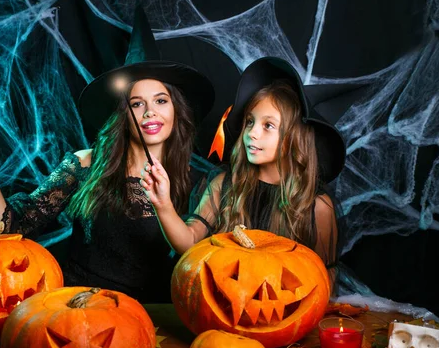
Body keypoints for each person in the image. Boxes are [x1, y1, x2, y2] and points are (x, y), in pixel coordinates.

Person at [0, 6, 215, 302]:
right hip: (78, 310)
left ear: (177, 109)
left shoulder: (201, 181)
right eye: (137, 104)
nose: (150, 111)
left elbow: (193, 255)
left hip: (155, 318)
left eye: (161, 100)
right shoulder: (85, 163)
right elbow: (12, 225)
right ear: (123, 115)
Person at [142, 57, 345, 286]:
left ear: (294, 139)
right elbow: (188, 242)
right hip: (227, 302)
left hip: (283, 310)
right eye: (250, 122)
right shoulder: (224, 185)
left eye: (268, 125)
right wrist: (163, 205)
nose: (252, 133)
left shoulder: (317, 206)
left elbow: (322, 278)